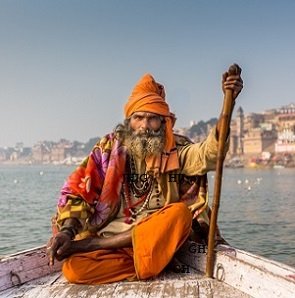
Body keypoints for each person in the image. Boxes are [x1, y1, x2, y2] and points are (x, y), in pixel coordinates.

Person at [47, 66, 243, 284]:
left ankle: (114, 250)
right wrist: (66, 231)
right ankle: (157, 263)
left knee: (180, 214)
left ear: (163, 122)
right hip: (114, 242)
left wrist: (229, 104)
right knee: (75, 270)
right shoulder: (108, 150)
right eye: (138, 117)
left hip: (156, 239)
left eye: (152, 119)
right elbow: (79, 190)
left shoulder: (177, 149)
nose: (144, 126)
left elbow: (210, 155)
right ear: (129, 121)